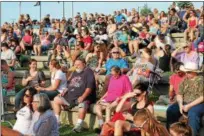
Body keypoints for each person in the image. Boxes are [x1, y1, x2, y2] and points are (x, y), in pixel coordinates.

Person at [53, 58, 96, 132]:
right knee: (56, 99)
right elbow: (70, 83)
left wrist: (83, 96)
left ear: (84, 64)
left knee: (83, 104)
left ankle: (79, 125)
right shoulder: (75, 72)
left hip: (84, 96)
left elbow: (89, 87)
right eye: (75, 65)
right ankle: (57, 121)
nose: (76, 66)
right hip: (71, 96)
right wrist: (65, 90)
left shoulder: (88, 72)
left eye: (78, 65)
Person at [166, 62, 204, 136]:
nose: (186, 74)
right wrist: (180, 105)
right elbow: (179, 94)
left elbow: (202, 97)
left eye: (188, 72)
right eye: (186, 72)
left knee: (193, 114)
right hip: (184, 101)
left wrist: (189, 106)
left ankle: (192, 134)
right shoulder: (185, 80)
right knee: (171, 111)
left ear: (194, 72)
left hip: (198, 103)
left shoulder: (201, 80)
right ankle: (171, 132)